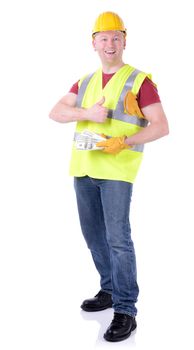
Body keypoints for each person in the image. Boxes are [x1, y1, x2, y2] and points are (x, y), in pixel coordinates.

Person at [49, 11, 169, 342]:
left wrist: (125, 141)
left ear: (125, 41)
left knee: (118, 239)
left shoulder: (139, 81)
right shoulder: (84, 82)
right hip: (84, 169)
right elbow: (56, 112)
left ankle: (126, 309)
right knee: (94, 238)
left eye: (116, 37)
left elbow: (161, 126)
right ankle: (109, 288)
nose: (110, 43)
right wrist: (86, 113)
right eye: (103, 38)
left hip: (116, 172)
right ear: (93, 43)